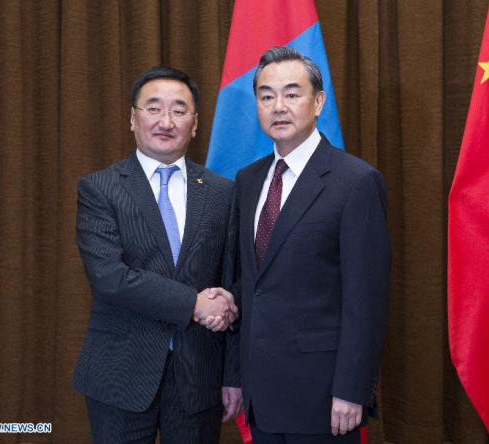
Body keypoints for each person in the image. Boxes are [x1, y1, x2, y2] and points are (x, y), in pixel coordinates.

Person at [72, 66, 243, 444]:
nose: (166, 121)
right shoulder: (99, 189)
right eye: (153, 109)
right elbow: (109, 278)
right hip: (119, 375)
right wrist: (193, 304)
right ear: (133, 119)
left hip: (199, 377)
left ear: (195, 124)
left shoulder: (222, 192)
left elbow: (233, 283)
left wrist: (233, 376)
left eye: (179, 111)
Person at [233, 46, 391, 443]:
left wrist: (352, 389)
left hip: (323, 398)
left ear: (318, 101)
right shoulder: (248, 181)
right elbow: (251, 284)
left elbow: (366, 300)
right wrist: (234, 375)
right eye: (266, 96)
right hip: (260, 395)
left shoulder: (355, 181)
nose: (278, 106)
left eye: (292, 93)